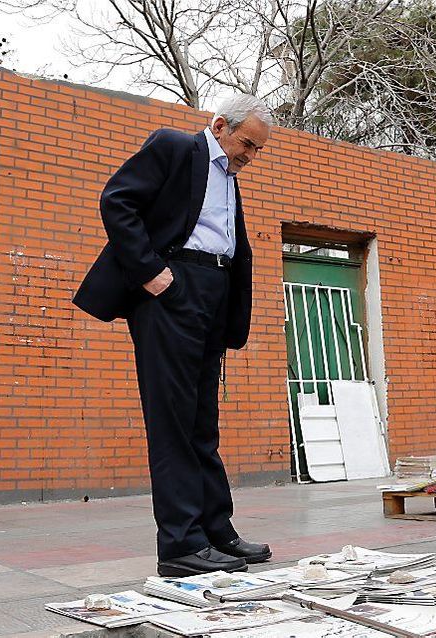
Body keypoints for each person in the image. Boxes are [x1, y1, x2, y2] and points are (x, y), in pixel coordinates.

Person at [73, 94, 273, 576]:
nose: (250, 156)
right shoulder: (175, 146)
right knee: (173, 420)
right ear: (221, 126)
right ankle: (181, 544)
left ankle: (215, 530)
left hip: (213, 293)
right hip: (171, 290)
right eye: (247, 144)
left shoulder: (228, 177)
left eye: (257, 150)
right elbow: (116, 200)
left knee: (202, 419)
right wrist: (152, 273)